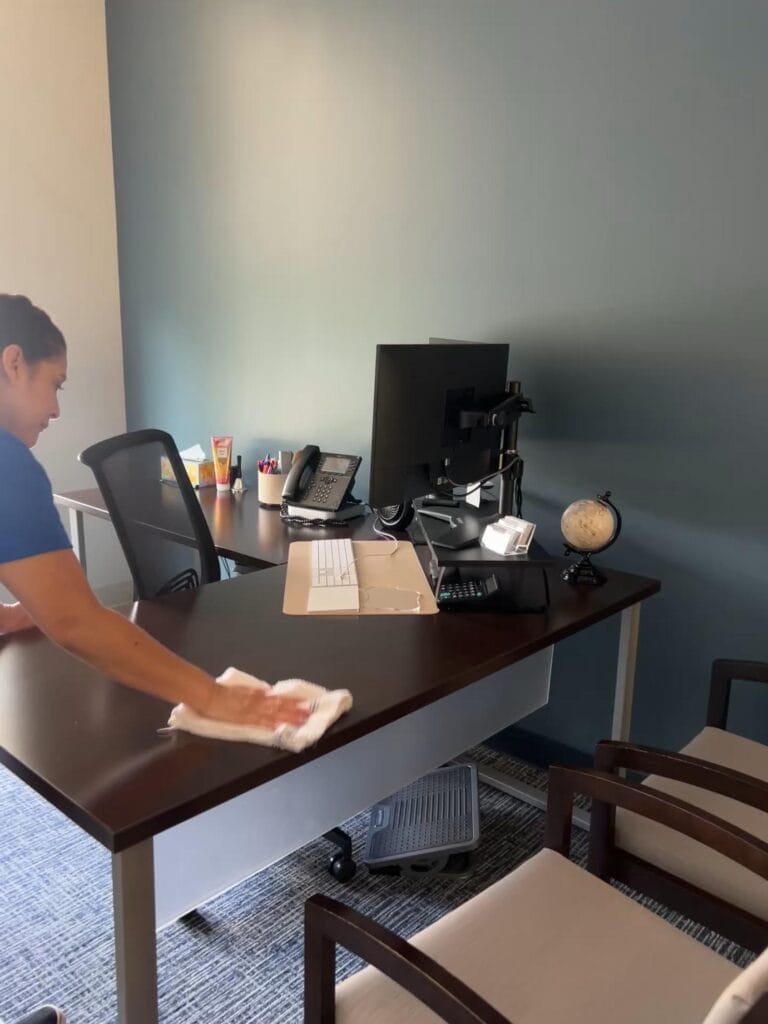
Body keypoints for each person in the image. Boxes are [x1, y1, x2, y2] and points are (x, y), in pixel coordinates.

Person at [0, 295, 309, 1024]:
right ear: (11, 365)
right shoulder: (7, 464)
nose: (55, 406)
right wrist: (212, 695)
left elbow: (53, 611)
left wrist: (19, 614)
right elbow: (78, 622)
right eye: (55, 383)